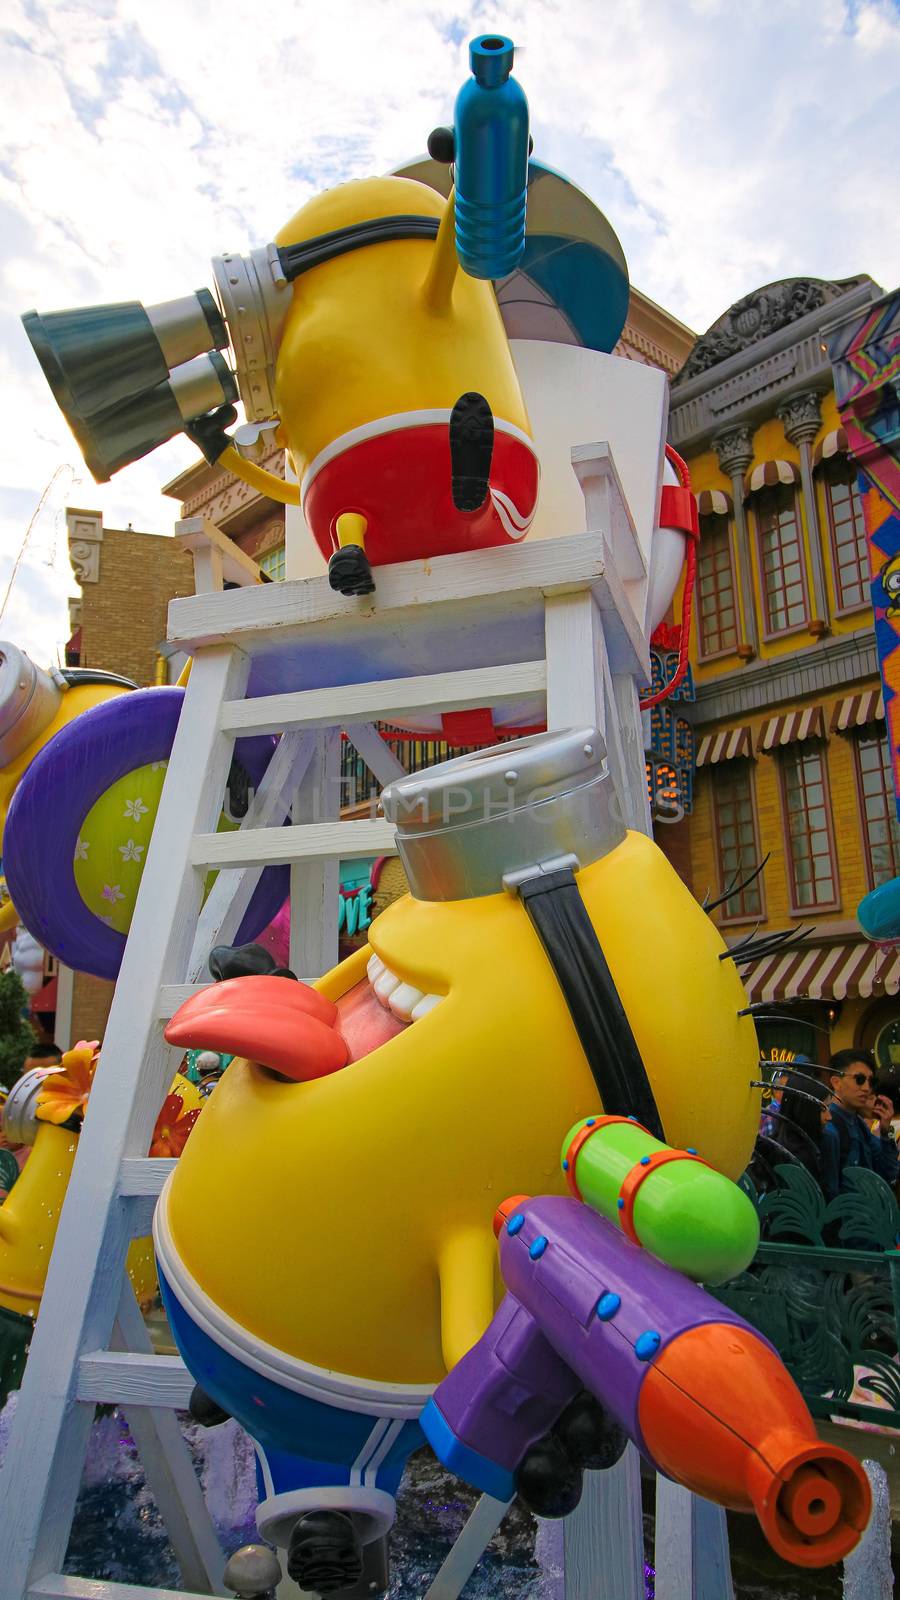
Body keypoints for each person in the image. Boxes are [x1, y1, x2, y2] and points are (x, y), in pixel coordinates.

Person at [820, 1049, 899, 1212]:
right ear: (836, 1082)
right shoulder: (829, 1125)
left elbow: (888, 1173)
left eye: (871, 1081)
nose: (866, 1088)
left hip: (870, 1223)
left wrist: (885, 1131)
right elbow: (830, 1192)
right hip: (850, 1228)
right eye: (859, 1079)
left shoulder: (857, 1121)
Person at [749, 1064, 830, 1197]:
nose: (829, 1117)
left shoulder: (780, 1144)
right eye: (822, 1109)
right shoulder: (797, 1156)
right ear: (805, 1110)